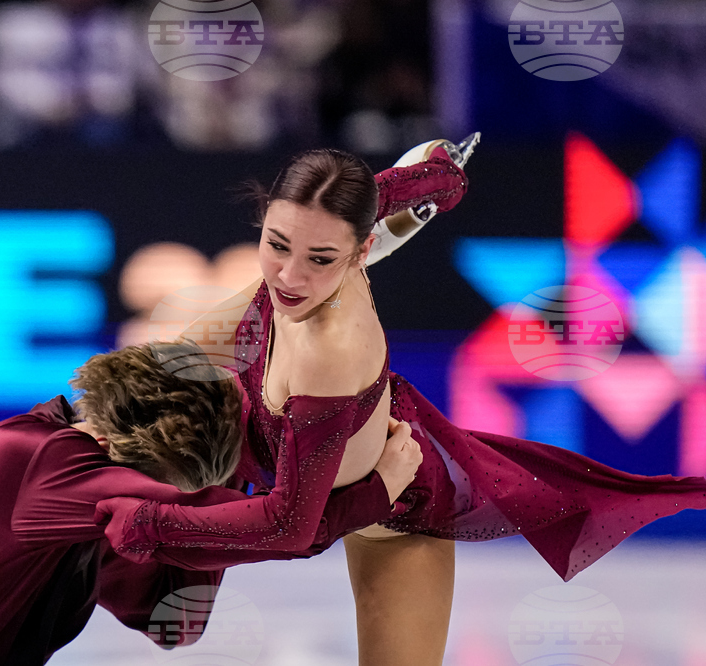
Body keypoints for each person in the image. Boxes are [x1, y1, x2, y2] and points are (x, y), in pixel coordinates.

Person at [95, 144, 706, 665]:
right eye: (276, 243)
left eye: (321, 259)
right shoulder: (327, 229)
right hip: (323, 468)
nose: (289, 277)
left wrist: (146, 522)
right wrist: (437, 176)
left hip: (394, 512)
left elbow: (292, 528)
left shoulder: (330, 351)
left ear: (359, 253)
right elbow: (394, 193)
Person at [0, 340, 418, 666]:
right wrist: (376, 492)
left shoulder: (84, 510)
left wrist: (225, 508)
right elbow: (285, 530)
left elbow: (175, 623)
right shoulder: (40, 462)